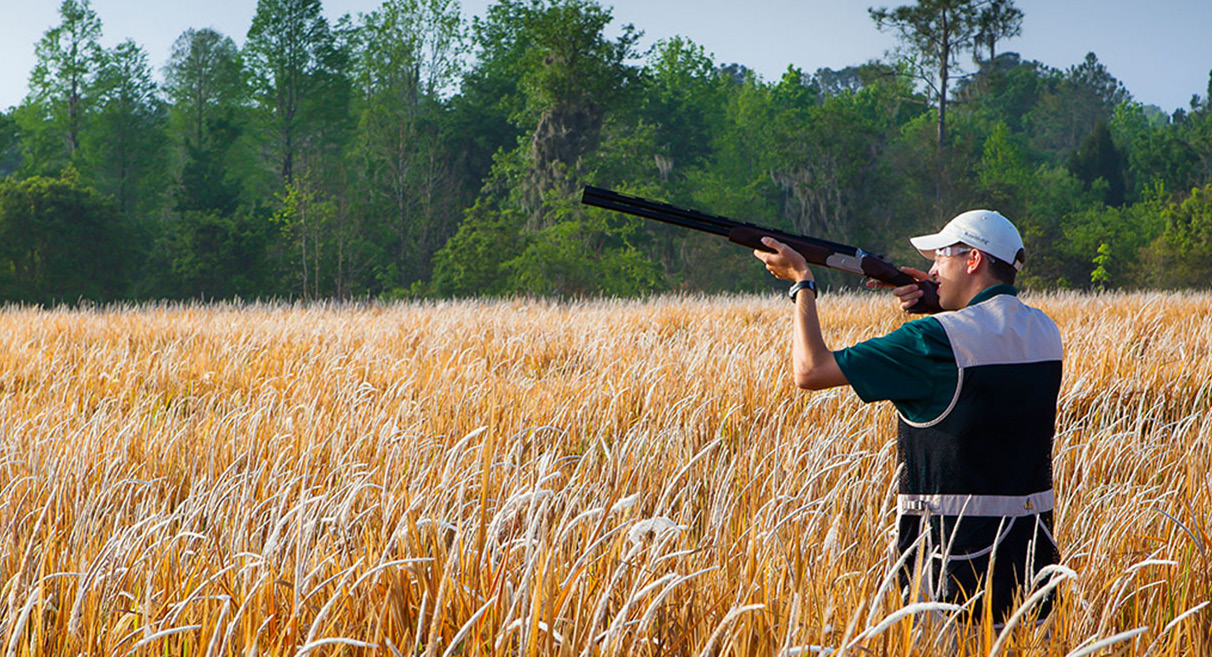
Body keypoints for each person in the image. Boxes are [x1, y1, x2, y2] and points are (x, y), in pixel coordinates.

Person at [753, 209, 1062, 625]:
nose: (932, 271)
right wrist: (945, 307)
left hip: (950, 580)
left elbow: (810, 370)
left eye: (941, 259)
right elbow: (979, 354)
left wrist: (802, 283)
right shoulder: (1044, 331)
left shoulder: (932, 340)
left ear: (973, 260)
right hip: (1031, 569)